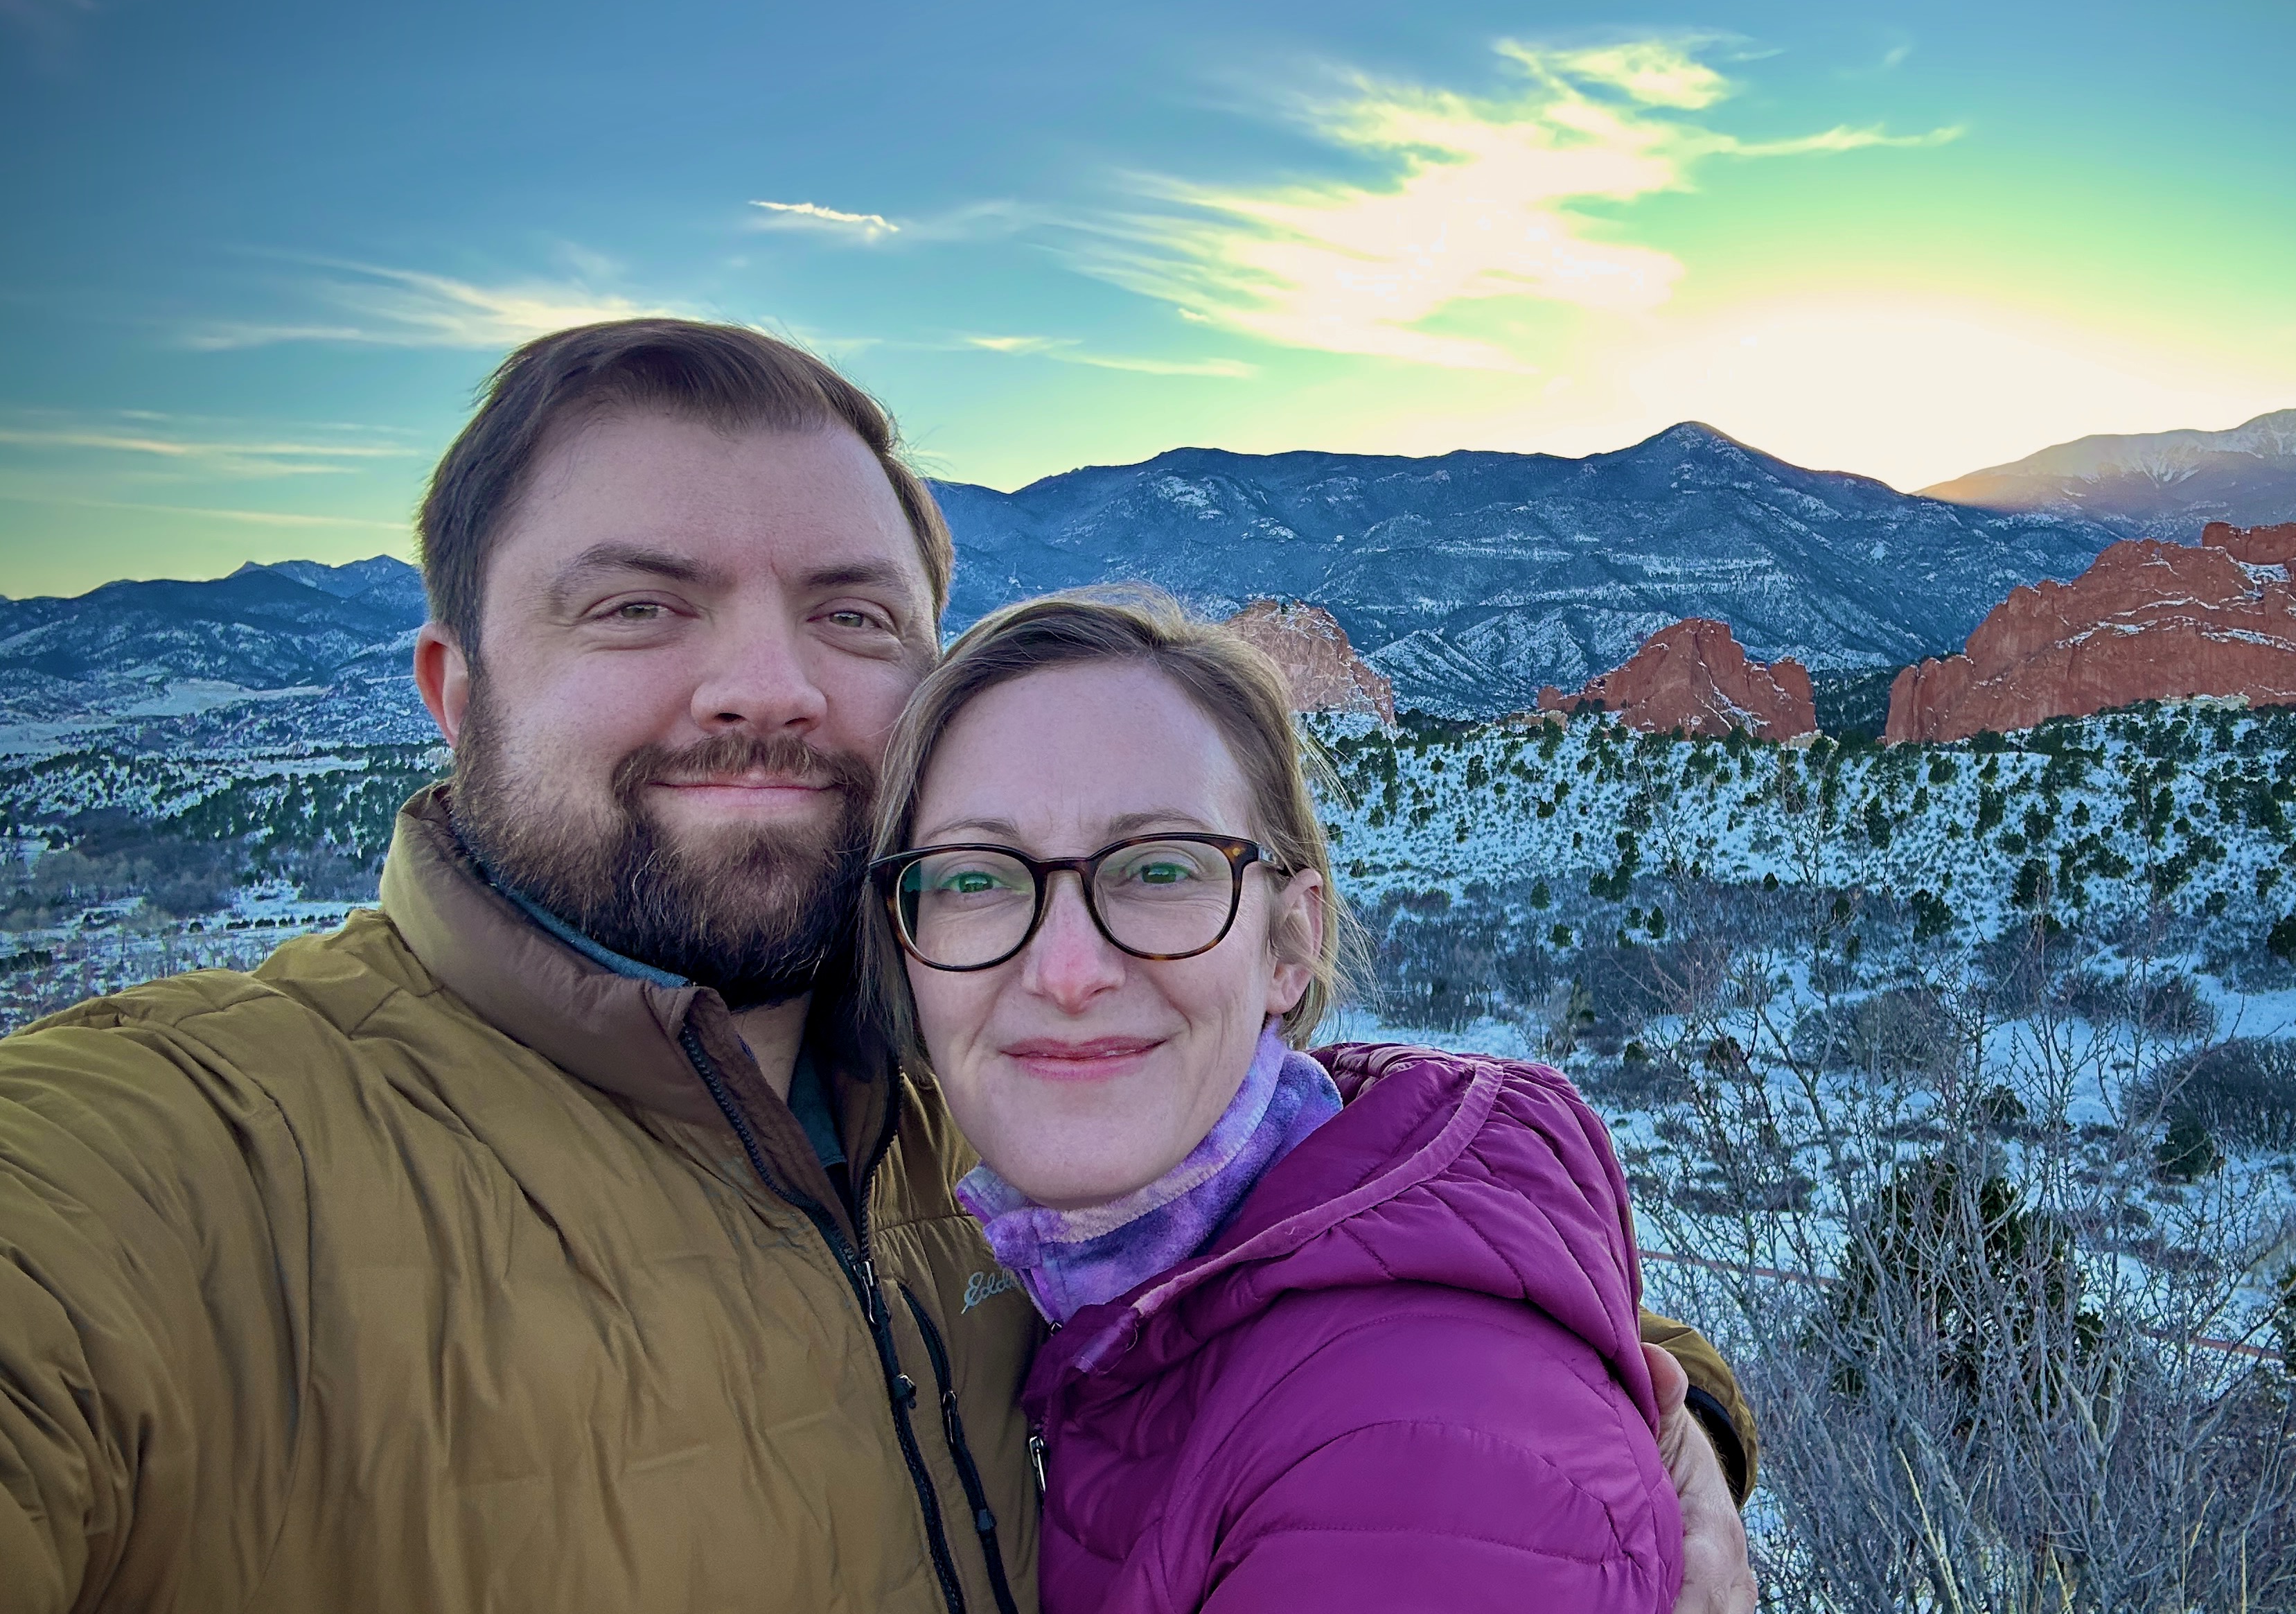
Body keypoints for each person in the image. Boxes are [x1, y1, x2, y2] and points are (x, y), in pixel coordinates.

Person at [0, 318, 1757, 1613]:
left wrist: (1654, 1433)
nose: (764, 684)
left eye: (850, 616)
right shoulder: (171, 1162)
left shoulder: (977, 1075)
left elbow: (1386, 1283)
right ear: (457, 697)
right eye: (636, 605)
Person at [865, 591, 1693, 1611]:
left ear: (1288, 946)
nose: (1067, 970)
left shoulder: (1404, 1453)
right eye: (976, 878)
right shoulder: (1102, 1278)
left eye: (1159, 868)